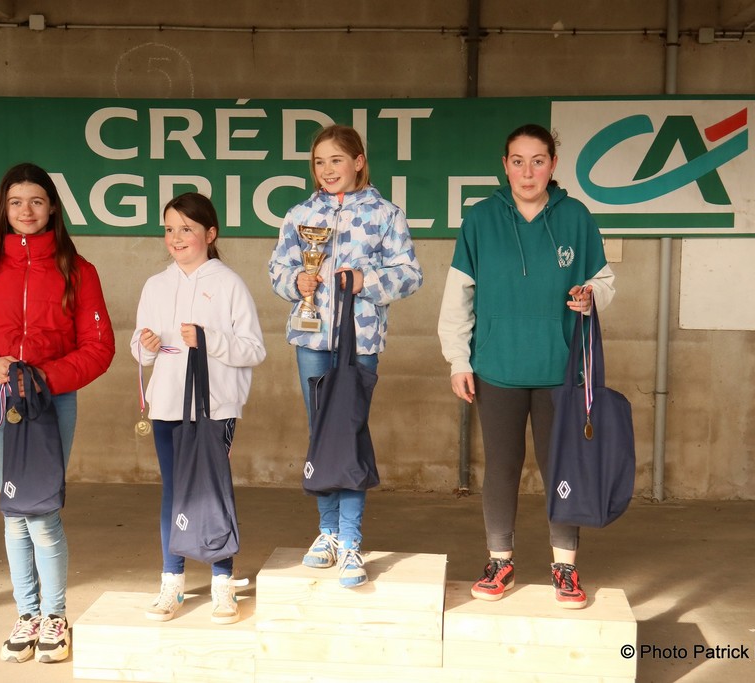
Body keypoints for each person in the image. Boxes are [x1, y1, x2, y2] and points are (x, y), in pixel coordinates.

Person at [0, 163, 115, 662]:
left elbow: (99, 346)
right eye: (16, 202)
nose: (26, 211)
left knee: (41, 510)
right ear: (4, 208)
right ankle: (27, 614)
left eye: (36, 201)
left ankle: (55, 616)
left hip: (50, 400)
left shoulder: (78, 271)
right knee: (15, 510)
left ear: (52, 207)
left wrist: (44, 378)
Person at [438, 124, 616, 609]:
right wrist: (458, 359)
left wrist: (591, 295)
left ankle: (565, 567)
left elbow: (604, 280)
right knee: (501, 466)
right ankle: (500, 561)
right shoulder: (481, 219)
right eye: (518, 161)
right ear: (505, 165)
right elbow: (458, 295)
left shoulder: (576, 217)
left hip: (561, 370)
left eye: (538, 161)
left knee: (563, 467)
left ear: (553, 165)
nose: (528, 171)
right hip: (497, 367)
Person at [268, 124, 423, 589]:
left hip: (361, 339)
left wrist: (364, 281)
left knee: (349, 433)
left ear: (358, 161)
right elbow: (277, 268)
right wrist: (296, 281)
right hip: (310, 339)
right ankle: (328, 533)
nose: (327, 169)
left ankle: (352, 539)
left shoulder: (385, 214)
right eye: (319, 162)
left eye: (336, 160)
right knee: (321, 434)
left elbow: (410, 274)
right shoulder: (300, 214)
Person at [131, 192, 266, 624]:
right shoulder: (156, 285)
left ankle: (222, 582)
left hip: (214, 407)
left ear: (210, 234)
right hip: (167, 405)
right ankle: (172, 581)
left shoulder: (229, 283)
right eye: (169, 229)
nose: (176, 237)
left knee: (210, 490)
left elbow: (254, 349)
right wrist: (146, 345)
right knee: (174, 491)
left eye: (186, 229)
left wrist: (209, 339)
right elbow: (139, 348)